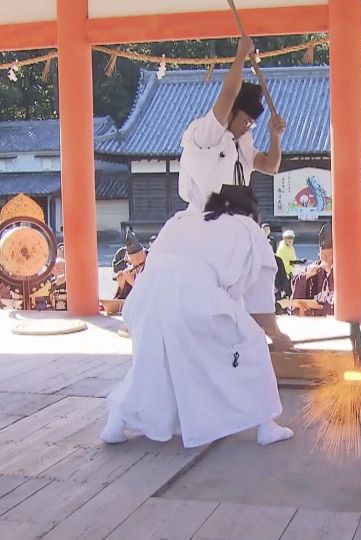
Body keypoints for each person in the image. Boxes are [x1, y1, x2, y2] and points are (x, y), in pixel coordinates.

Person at [101, 185, 295, 448]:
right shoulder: (248, 230)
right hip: (195, 297)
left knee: (153, 362)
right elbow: (259, 304)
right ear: (251, 214)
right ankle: (266, 425)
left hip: (146, 298)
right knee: (251, 344)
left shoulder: (180, 220)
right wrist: (276, 335)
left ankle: (116, 421)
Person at [178, 35, 286, 211]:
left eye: (251, 124)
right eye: (245, 121)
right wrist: (241, 54)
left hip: (235, 218)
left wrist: (275, 136)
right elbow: (228, 93)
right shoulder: (206, 134)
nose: (247, 128)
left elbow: (271, 166)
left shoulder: (242, 145)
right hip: (202, 219)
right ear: (231, 113)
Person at [291, 224, 334, 316]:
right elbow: (295, 281)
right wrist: (306, 276)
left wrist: (330, 273)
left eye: (328, 255)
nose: (324, 257)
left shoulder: (341, 269)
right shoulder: (314, 267)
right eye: (322, 254)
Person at [114, 230, 147, 300]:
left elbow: (150, 297)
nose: (138, 269)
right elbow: (122, 302)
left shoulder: (153, 269)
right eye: (135, 266)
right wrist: (122, 286)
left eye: (141, 264)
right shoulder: (130, 273)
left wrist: (133, 283)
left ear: (144, 255)